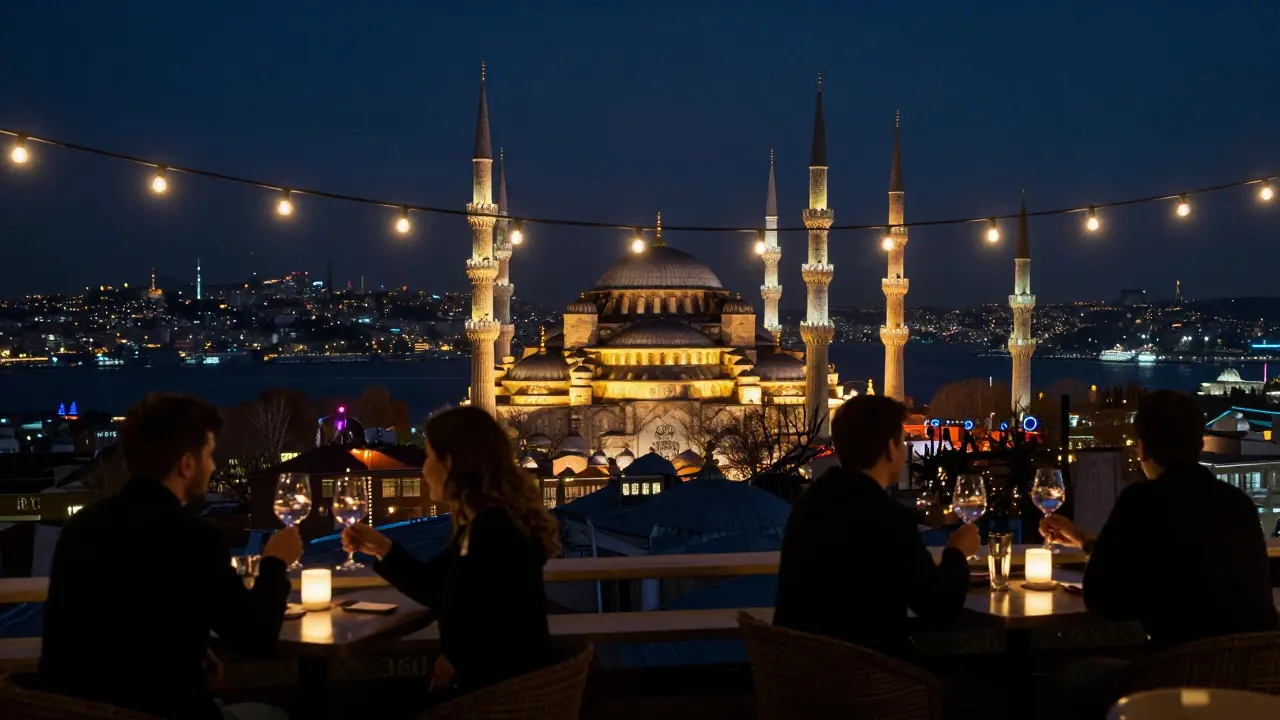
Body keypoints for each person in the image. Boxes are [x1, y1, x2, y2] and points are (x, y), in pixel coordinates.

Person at [39, 392, 302, 720]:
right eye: (209, 455)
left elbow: (128, 618)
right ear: (187, 464)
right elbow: (256, 638)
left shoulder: (83, 527)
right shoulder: (193, 537)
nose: (213, 466)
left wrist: (194, 650)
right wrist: (276, 561)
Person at [1042, 390, 1278, 717]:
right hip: (1252, 683)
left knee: (1062, 684)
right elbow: (1185, 556)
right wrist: (1084, 541)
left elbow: (1102, 599)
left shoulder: (1142, 501)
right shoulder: (1237, 504)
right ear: (1199, 445)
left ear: (1143, 449)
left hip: (1174, 682)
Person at [342, 406, 557, 698]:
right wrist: (382, 548)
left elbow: (476, 616)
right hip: (499, 689)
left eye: (430, 457)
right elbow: (439, 586)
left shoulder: (492, 532)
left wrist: (457, 665)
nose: (424, 468)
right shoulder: (490, 524)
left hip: (489, 699)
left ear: (451, 463)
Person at [773, 395, 980, 661]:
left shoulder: (809, 504)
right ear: (891, 449)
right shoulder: (888, 518)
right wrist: (957, 552)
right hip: (867, 682)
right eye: (903, 441)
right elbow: (940, 609)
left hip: (797, 674)